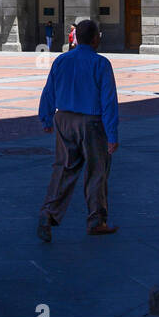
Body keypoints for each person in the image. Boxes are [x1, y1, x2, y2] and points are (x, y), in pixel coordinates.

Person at [37, 18, 119, 241]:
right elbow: (109, 101)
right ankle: (96, 220)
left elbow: (48, 91)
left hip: (63, 119)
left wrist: (46, 118)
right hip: (91, 122)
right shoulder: (101, 64)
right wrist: (112, 135)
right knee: (96, 172)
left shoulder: (61, 60)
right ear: (95, 39)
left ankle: (48, 212)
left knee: (63, 168)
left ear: (76, 39)